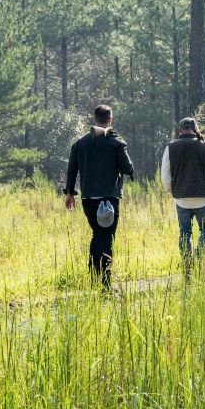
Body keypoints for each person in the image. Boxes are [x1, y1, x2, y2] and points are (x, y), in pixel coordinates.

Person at [64, 104, 135, 289]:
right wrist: (119, 142)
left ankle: (94, 277)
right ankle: (104, 284)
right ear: (110, 119)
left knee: (98, 235)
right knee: (107, 238)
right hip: (109, 199)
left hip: (88, 199)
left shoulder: (80, 143)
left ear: (95, 119)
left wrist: (70, 193)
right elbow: (128, 168)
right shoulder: (115, 142)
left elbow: (72, 170)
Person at [160, 117, 205, 277]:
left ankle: (188, 268)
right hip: (202, 197)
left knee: (185, 233)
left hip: (181, 199)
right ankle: (198, 257)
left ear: (180, 130)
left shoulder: (170, 147)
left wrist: (171, 190)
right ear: (195, 129)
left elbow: (164, 175)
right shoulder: (204, 147)